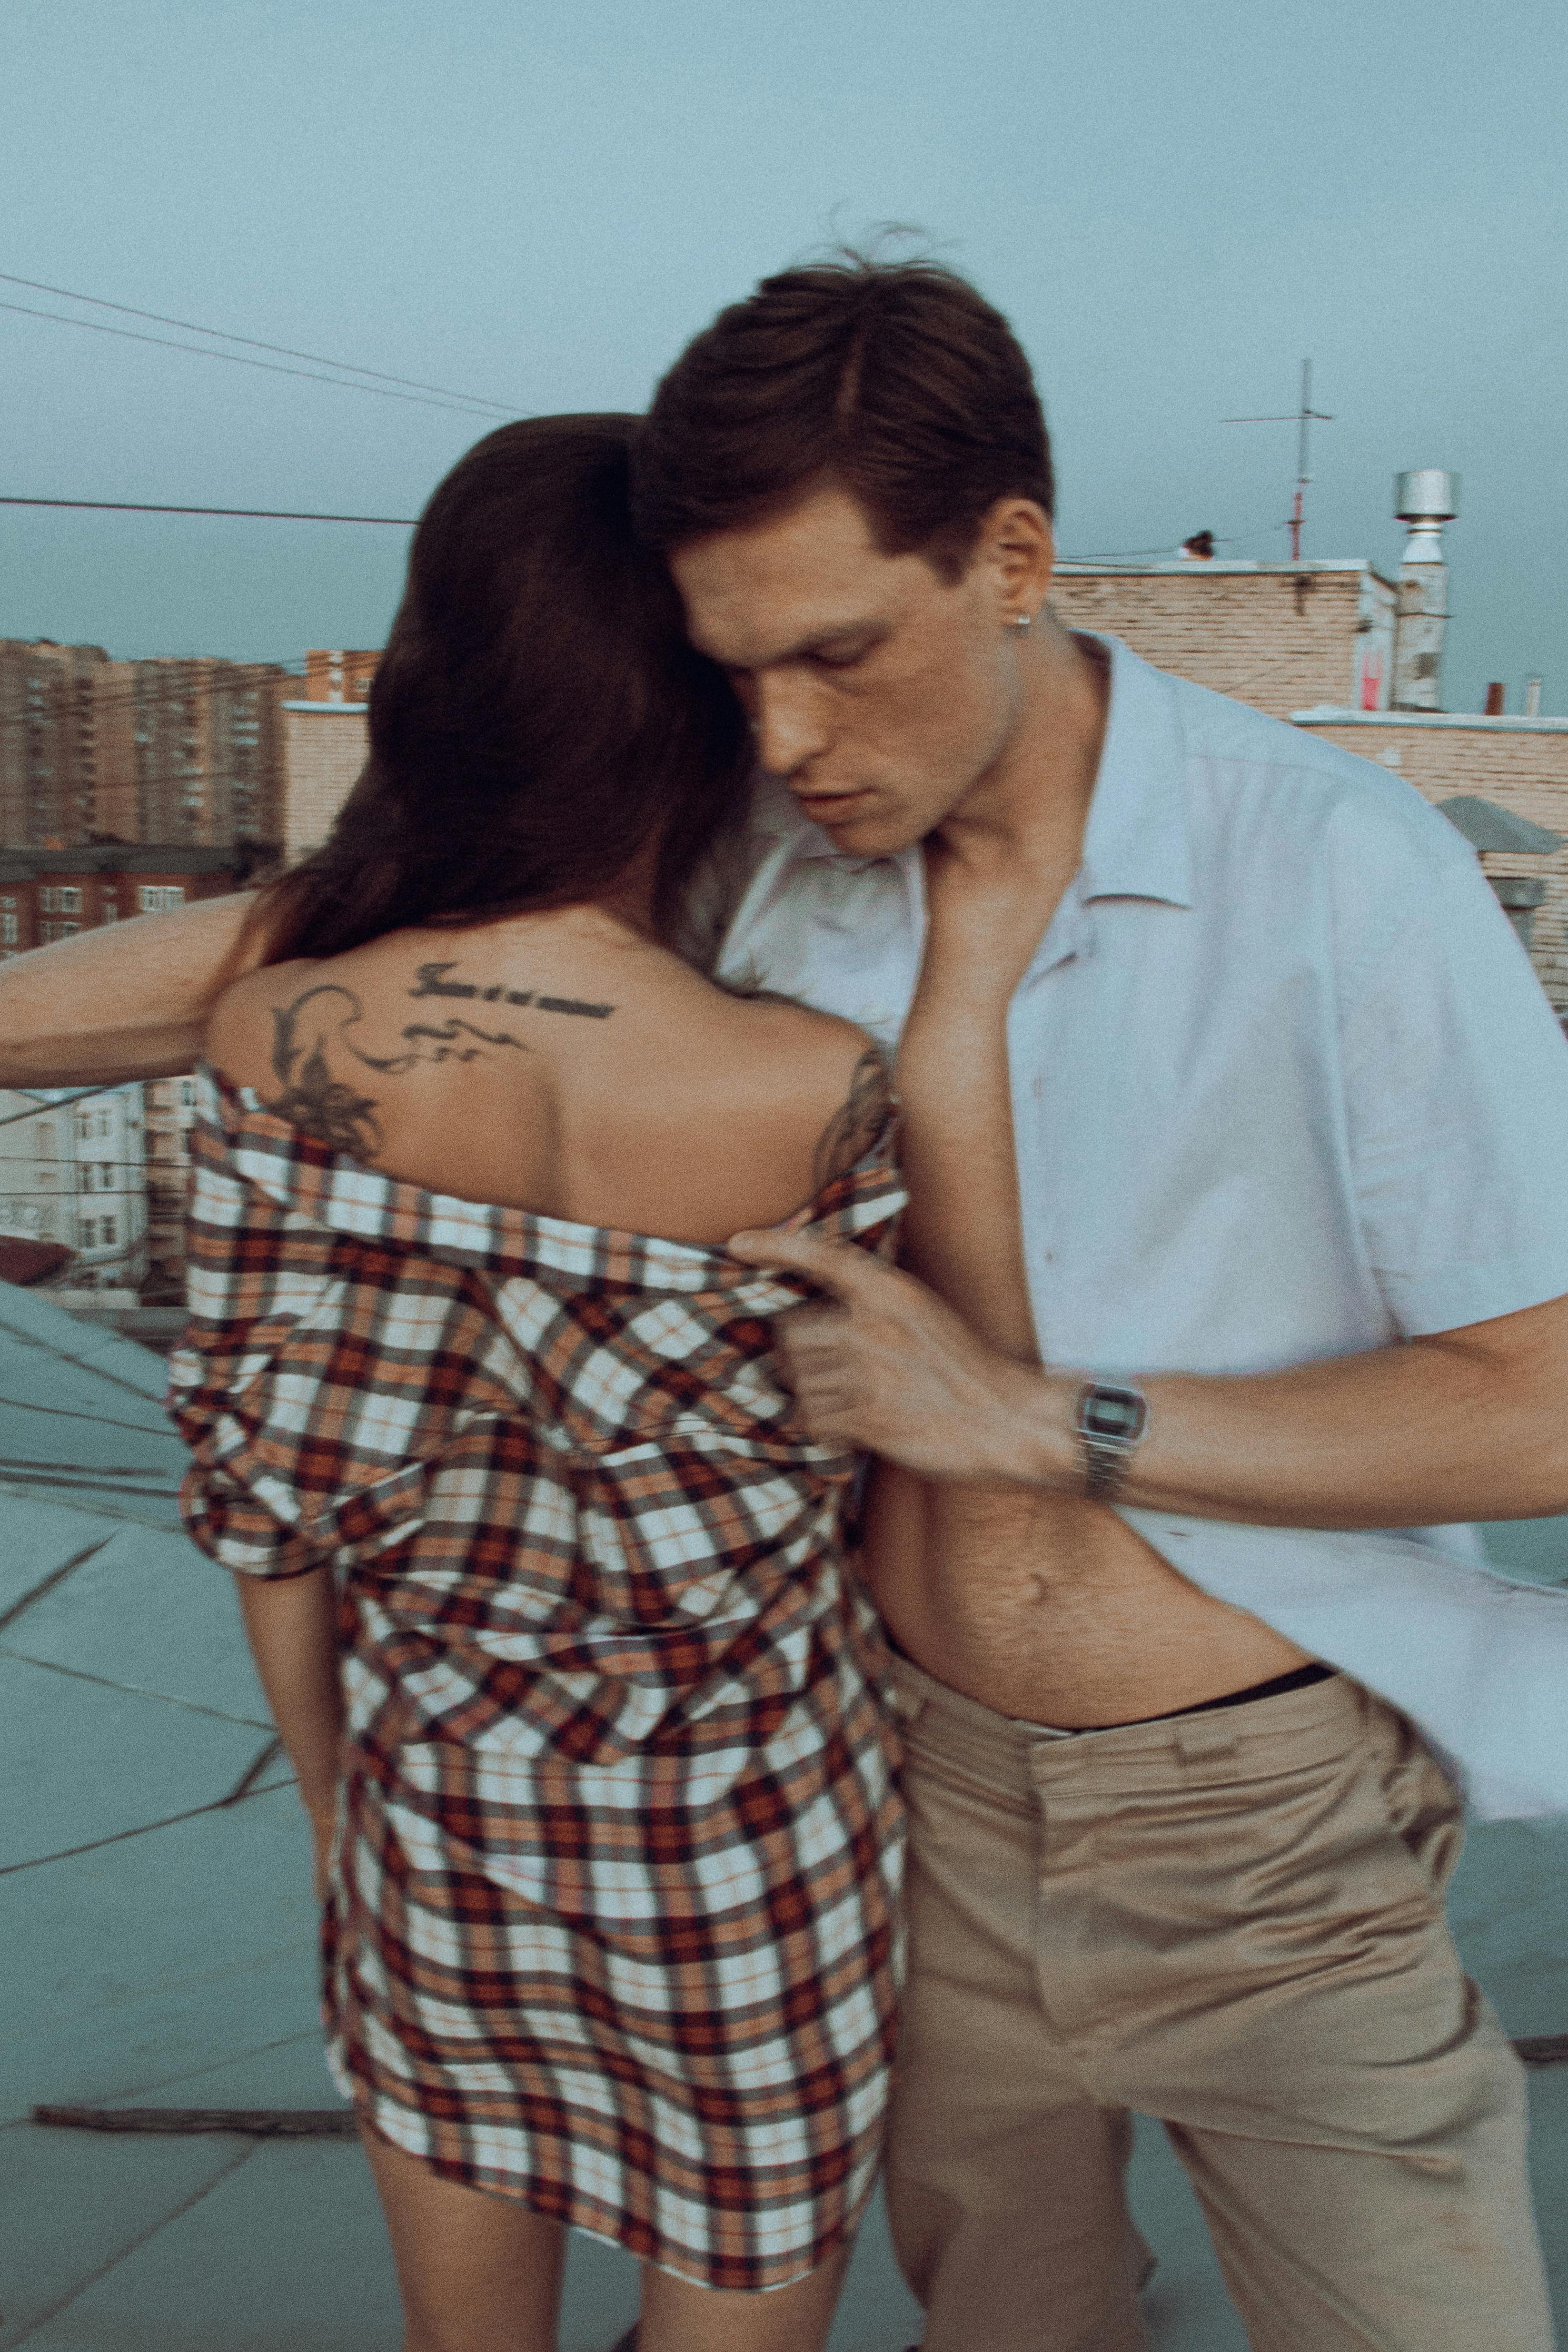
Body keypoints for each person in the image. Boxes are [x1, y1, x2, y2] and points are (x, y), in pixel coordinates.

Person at [4, 258, 1567, 2350]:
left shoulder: (1345, 871)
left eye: (835, 652)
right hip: (895, 1799)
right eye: (733, 675)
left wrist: (1054, 1421)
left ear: (1011, 558)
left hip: (1256, 1828)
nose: (787, 736)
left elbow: (1541, 1402)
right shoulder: (768, 834)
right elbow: (342, 950)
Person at [163, 413, 908, 2352]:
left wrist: (343, 1812)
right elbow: (901, 1478)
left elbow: (263, 1502)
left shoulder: (271, 1028)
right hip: (754, 1836)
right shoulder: (814, 1085)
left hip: (443, 1810)